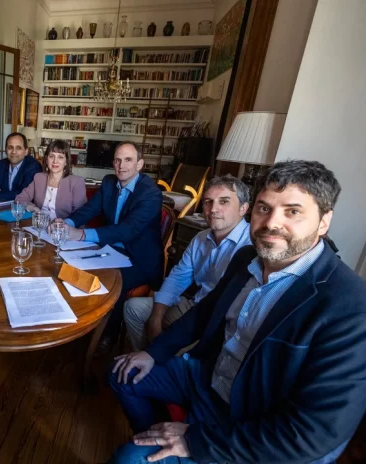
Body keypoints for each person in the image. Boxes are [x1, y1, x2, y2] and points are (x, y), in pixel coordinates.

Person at [108, 160, 366, 464]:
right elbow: (205, 311)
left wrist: (196, 441)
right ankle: (157, 438)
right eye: (264, 208)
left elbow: (313, 435)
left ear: (324, 221)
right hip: (210, 379)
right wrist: (153, 352)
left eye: (293, 211)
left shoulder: (350, 306)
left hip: (253, 419)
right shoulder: (247, 257)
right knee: (122, 371)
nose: (271, 223)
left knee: (129, 459)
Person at [123, 175, 251, 351]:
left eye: (224, 201)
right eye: (208, 202)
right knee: (132, 308)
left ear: (243, 208)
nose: (213, 209)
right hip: (194, 306)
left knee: (173, 355)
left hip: (219, 323)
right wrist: (156, 317)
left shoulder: (251, 246)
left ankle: (156, 360)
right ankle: (143, 358)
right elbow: (177, 278)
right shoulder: (200, 238)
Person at [64, 141, 163, 353]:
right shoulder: (109, 182)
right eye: (117, 160)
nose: (121, 165)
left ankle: (108, 334)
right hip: (110, 248)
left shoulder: (151, 193)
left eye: (128, 160)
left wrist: (82, 234)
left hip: (139, 257)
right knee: (73, 268)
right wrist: (67, 223)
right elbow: (90, 209)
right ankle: (83, 324)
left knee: (112, 283)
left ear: (139, 164)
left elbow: (128, 230)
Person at [15, 139, 87, 220]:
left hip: (62, 227)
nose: (55, 161)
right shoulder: (39, 178)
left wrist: (64, 224)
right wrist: (32, 208)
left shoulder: (76, 182)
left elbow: (80, 215)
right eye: (51, 156)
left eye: (60, 157)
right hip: (38, 224)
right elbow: (20, 199)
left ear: (66, 162)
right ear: (46, 159)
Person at [0, 132, 42, 202]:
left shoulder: (33, 166)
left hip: (25, 207)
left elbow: (23, 193)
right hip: (4, 206)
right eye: (10, 147)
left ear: (26, 151)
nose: (14, 152)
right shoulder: (1, 164)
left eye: (18, 148)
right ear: (6, 150)